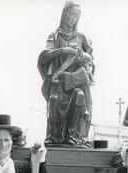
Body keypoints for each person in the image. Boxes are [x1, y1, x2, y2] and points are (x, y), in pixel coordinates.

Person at [38, 1, 94, 146]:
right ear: (64, 14)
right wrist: (63, 50)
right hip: (58, 82)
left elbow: (91, 62)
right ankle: (54, 136)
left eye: (76, 15)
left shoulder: (82, 37)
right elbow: (45, 55)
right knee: (54, 98)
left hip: (76, 82)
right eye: (71, 14)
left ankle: (73, 136)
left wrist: (84, 61)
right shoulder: (55, 36)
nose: (73, 18)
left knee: (79, 97)